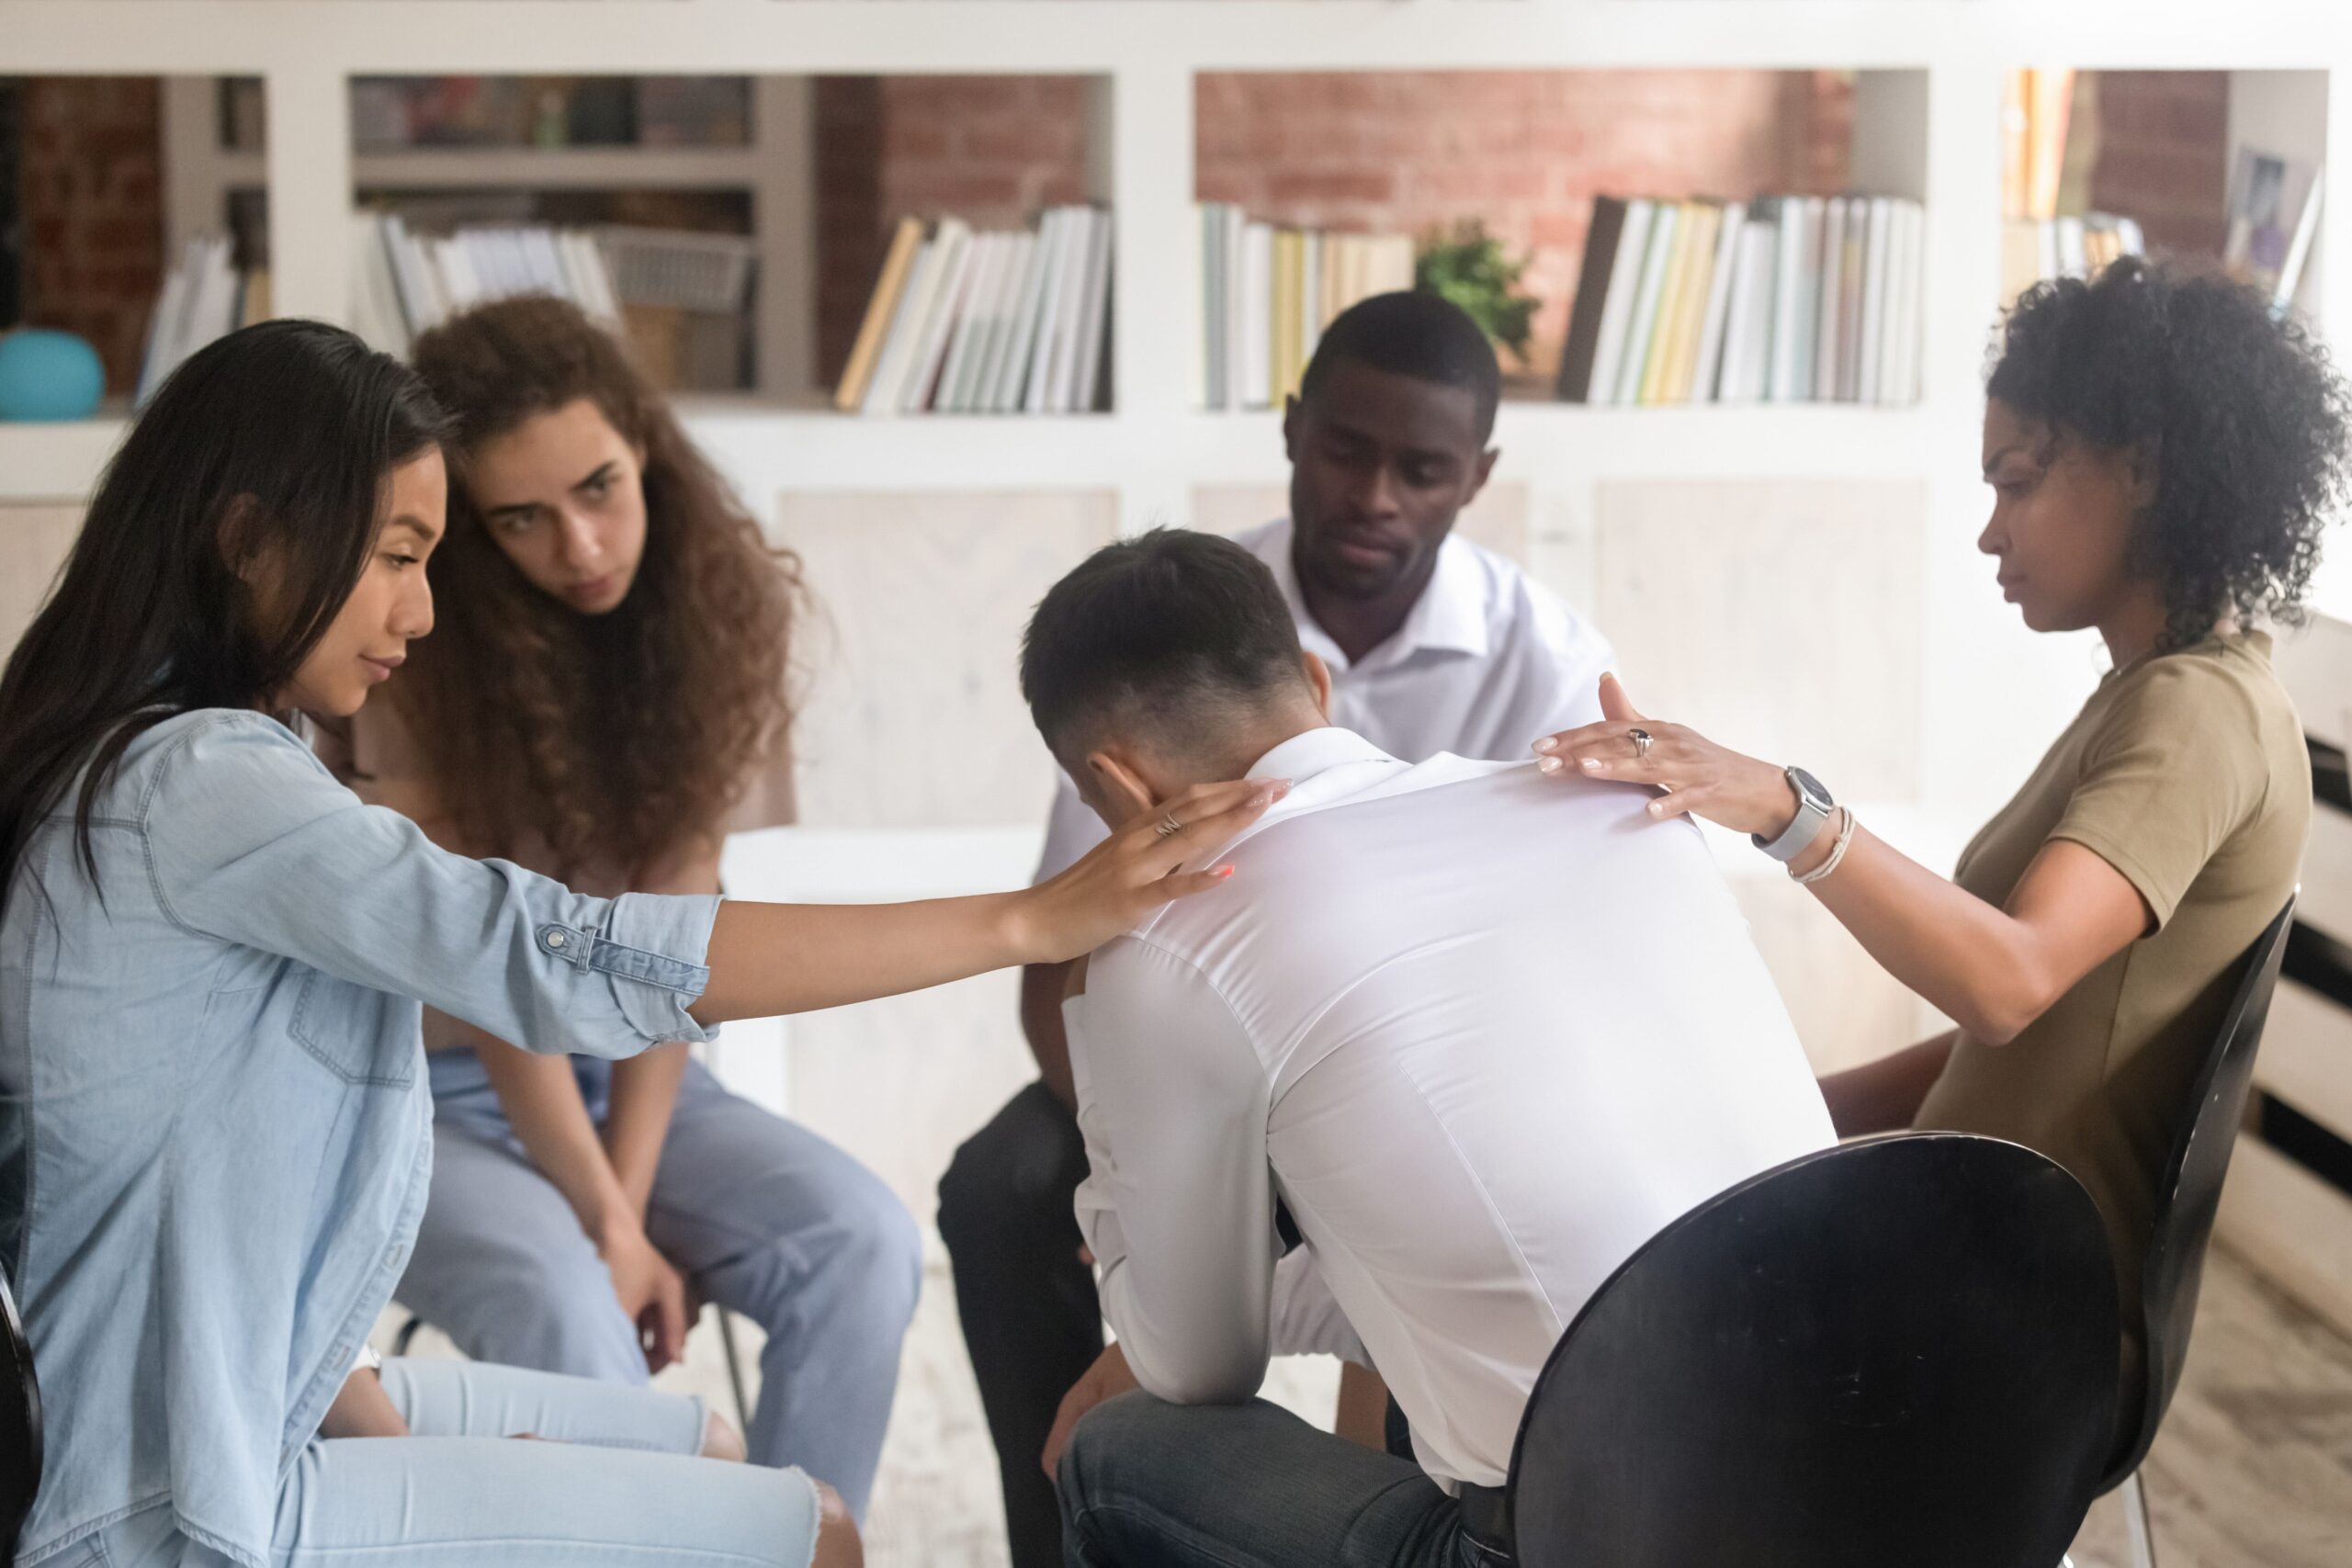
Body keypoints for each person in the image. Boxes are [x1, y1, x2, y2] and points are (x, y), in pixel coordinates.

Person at [0, 321, 1277, 1568]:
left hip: (253, 1396)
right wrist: (1028, 920)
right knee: (810, 1532)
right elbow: (558, 957)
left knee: (725, 1453)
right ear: (244, 540)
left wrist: (350, 1392)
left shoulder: (177, 755)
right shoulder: (201, 782)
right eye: (398, 554)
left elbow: (223, 1145)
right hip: (177, 1495)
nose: (425, 608)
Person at [1536, 259, 2345, 1427]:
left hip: (2009, 1312)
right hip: (1966, 1254)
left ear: (2146, 468)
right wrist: (1770, 1116)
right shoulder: (2161, 693)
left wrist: (1783, 808)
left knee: (1536, 1321)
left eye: (2018, 482)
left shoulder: (2197, 714)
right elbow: (2006, 1048)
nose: (1988, 532)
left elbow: (2007, 982)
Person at [934, 292, 1614, 1567]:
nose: (1375, 496)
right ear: (1292, 431)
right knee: (1003, 1184)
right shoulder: (1174, 625)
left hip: (1437, 1076)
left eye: (1422, 469)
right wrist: (1151, 1147)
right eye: (1347, 450)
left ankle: (1368, 1501)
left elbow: (1556, 963)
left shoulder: (1549, 657)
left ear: (1480, 476)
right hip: (1190, 1063)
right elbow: (1060, 959)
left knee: (1359, 1232)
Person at [1006, 528, 1832, 1568]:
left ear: (1117, 787)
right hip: (1885, 1462)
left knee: (1117, 1446)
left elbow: (1196, 1367)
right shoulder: (1615, 802)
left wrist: (1124, 1228)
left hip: (1600, 1541)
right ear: (1314, 679)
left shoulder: (1176, 941)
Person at [314, 296, 911, 1517]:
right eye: (522, 519)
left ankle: (787, 1549)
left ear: (643, 440)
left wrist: (624, 1203)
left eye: (599, 488)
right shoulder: (413, 648)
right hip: (421, 1082)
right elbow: (490, 969)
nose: (580, 545)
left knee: (861, 1239)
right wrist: (602, 1225)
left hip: (641, 1061)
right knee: (565, 1291)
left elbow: (675, 944)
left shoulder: (717, 615)